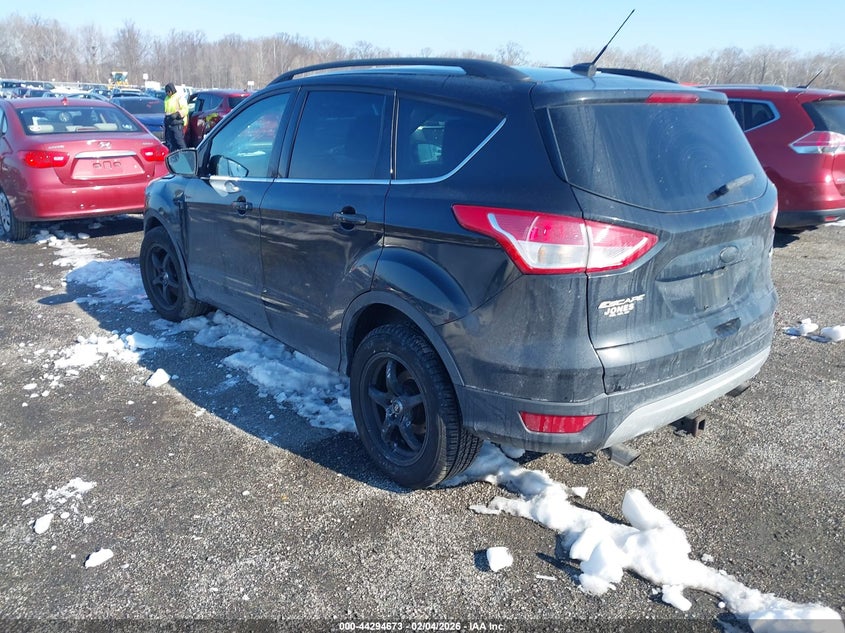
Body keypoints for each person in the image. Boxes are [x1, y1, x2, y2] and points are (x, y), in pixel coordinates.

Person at [163, 83, 188, 151]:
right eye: (166, 92)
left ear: (172, 90)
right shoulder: (166, 98)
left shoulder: (179, 97)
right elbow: (166, 111)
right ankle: (174, 158)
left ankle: (186, 156)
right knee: (170, 143)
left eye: (168, 92)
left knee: (179, 142)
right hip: (169, 123)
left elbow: (185, 110)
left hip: (177, 123)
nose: (167, 93)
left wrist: (177, 114)